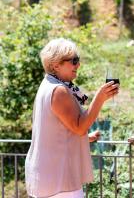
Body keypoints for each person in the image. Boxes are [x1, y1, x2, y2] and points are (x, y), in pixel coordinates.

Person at [25, 38, 119, 197]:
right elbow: (79, 127)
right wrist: (99, 98)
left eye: (78, 60)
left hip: (47, 177)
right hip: (59, 180)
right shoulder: (59, 90)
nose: (78, 65)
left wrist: (84, 138)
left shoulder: (47, 85)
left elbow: (57, 128)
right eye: (74, 61)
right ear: (56, 65)